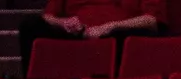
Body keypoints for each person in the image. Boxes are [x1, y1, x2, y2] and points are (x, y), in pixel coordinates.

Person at [18, 0, 160, 74]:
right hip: (76, 35)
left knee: (134, 36)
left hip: (116, 35)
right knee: (30, 25)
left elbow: (151, 21)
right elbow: (48, 16)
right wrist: (64, 23)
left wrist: (109, 27)